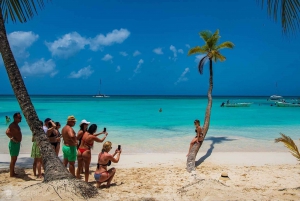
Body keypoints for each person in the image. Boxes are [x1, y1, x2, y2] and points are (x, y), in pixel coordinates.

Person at [5, 113, 23, 177]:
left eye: (20, 117)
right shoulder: (12, 125)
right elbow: (7, 132)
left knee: (14, 159)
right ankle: (11, 174)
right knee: (13, 159)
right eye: (19, 118)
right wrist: (12, 138)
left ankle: (12, 172)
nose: (20, 119)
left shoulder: (16, 125)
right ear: (15, 118)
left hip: (16, 144)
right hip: (14, 144)